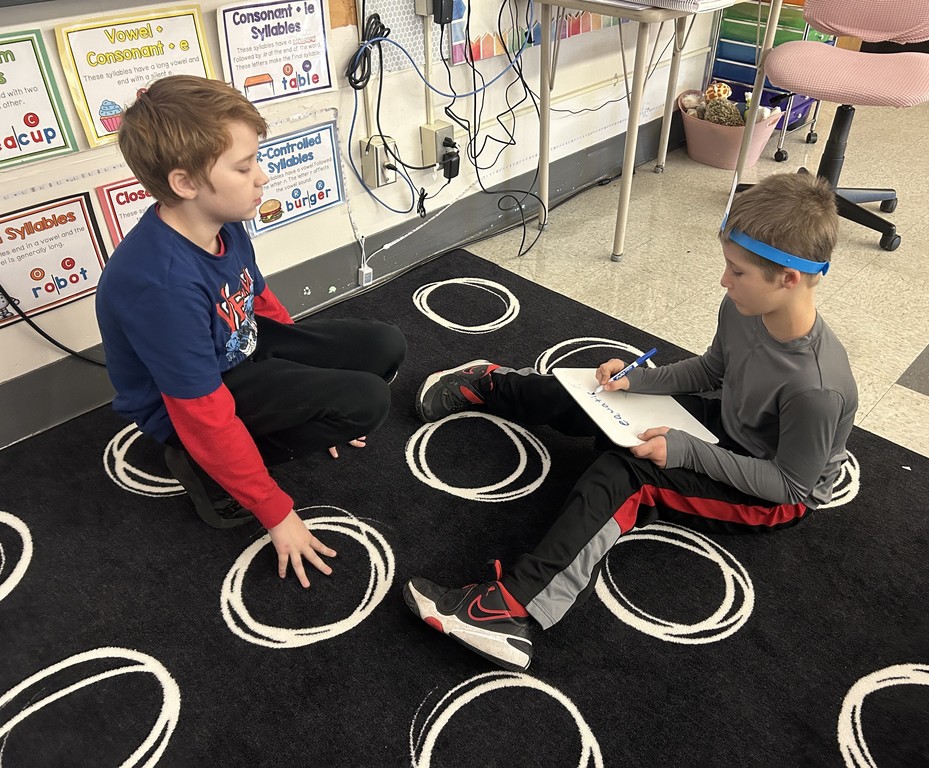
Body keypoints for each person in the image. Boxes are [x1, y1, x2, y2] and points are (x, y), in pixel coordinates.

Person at [402, 173, 857, 670]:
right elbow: (712, 370)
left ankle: (509, 609)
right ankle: (491, 385)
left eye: (737, 271)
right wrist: (636, 381)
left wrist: (686, 450)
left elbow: (790, 487)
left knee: (626, 473)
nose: (724, 281)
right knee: (595, 398)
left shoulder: (816, 388)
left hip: (769, 490)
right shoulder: (745, 306)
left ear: (788, 279)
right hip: (730, 423)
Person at [95, 75, 405, 588]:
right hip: (186, 408)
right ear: (184, 183)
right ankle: (206, 474)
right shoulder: (161, 284)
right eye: (244, 167)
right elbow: (201, 413)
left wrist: (306, 386)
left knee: (383, 346)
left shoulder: (224, 219)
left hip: (239, 351)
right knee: (367, 402)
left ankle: (280, 424)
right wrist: (277, 513)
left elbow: (255, 296)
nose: (261, 176)